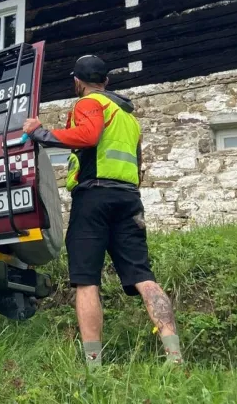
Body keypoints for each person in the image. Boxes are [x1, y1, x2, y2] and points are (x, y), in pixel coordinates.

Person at [22, 55, 182, 368]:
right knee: (144, 277)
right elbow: (139, 163)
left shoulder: (89, 103)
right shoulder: (129, 118)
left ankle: (94, 365)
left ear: (77, 82)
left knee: (86, 281)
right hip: (129, 199)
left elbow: (88, 135)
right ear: (106, 81)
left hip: (94, 198)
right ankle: (174, 355)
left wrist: (41, 132)